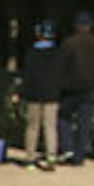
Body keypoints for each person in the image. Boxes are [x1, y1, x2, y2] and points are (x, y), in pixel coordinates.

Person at [55, 9, 94, 165]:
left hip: (71, 89)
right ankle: (79, 156)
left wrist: (59, 85)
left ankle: (67, 147)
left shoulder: (69, 44)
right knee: (84, 122)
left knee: (62, 116)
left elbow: (60, 67)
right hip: (90, 88)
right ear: (91, 26)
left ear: (76, 25)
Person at [16, 23, 65, 167]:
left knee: (32, 127)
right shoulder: (59, 54)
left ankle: (30, 158)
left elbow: (28, 76)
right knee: (50, 126)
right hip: (52, 94)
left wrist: (20, 93)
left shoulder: (31, 53)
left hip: (34, 95)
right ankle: (51, 156)